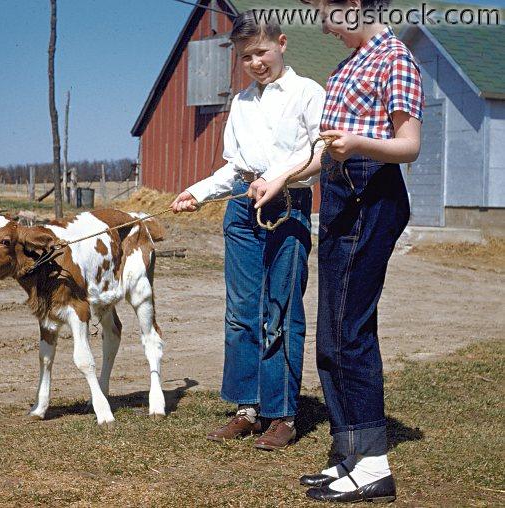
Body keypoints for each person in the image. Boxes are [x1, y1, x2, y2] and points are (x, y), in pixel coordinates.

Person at [251, 0, 423, 502]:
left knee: (350, 331)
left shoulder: (395, 57)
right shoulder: (346, 65)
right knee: (331, 334)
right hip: (343, 195)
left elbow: (408, 144)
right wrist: (280, 177)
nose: (322, 26)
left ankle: (372, 467)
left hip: (374, 196)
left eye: (325, 13)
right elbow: (325, 147)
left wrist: (359, 144)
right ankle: (348, 453)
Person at [171, 10, 325, 451]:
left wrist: (278, 177)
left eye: (261, 52)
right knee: (240, 312)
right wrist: (196, 192)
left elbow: (320, 157)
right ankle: (247, 408)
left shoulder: (307, 93)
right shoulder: (240, 103)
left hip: (288, 205)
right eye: (245, 57)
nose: (255, 62)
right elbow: (234, 168)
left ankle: (282, 414)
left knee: (280, 311)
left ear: (281, 43)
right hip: (242, 209)